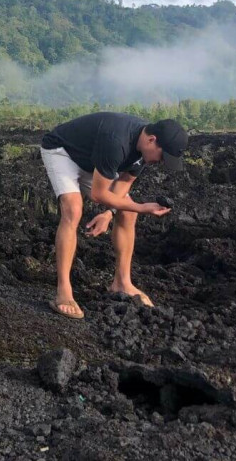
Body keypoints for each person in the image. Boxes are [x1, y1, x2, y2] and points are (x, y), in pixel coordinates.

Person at [40, 113, 188, 319]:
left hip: (93, 159)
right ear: (152, 140)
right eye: (163, 156)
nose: (161, 162)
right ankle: (63, 292)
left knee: (127, 213)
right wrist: (142, 207)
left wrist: (109, 213)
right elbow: (99, 194)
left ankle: (122, 282)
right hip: (63, 152)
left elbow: (122, 186)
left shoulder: (143, 150)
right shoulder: (116, 142)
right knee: (73, 210)